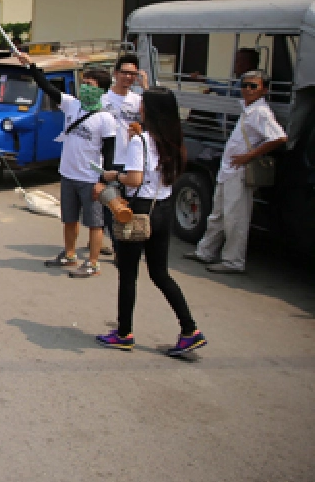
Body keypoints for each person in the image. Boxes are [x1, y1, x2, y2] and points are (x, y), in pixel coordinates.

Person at [94, 88, 208, 356]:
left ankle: (124, 333)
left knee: (128, 273)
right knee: (159, 273)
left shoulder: (142, 141)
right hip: (163, 208)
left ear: (152, 110)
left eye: (143, 104)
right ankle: (189, 329)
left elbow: (134, 179)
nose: (140, 108)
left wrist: (113, 176)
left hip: (139, 209)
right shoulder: (173, 140)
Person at [17, 52, 117, 277]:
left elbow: (109, 153)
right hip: (68, 174)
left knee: (94, 223)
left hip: (90, 179)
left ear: (101, 89)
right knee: (69, 219)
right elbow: (46, 86)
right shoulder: (72, 105)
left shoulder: (105, 118)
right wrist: (30, 65)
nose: (85, 88)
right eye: (84, 84)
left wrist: (103, 181)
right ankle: (70, 255)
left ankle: (92, 263)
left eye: (90, 85)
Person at [185, 69, 286, 274]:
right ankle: (205, 251)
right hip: (229, 170)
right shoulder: (248, 109)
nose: (247, 90)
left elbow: (279, 137)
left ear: (263, 90)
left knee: (235, 218)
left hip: (239, 171)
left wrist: (249, 156)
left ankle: (233, 261)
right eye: (245, 85)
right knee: (218, 215)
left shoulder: (261, 112)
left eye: (253, 86)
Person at [101, 54, 144, 256]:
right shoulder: (104, 99)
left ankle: (121, 243)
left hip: (131, 160)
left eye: (132, 74)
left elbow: (154, 121)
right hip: (109, 159)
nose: (128, 77)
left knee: (128, 206)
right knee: (111, 203)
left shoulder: (139, 100)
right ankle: (115, 246)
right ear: (116, 74)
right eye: (125, 72)